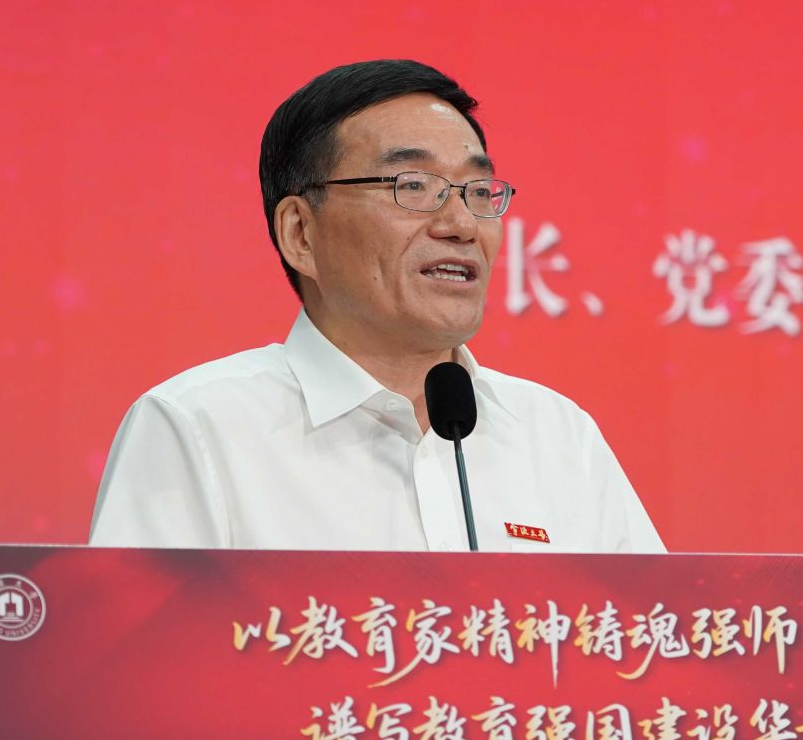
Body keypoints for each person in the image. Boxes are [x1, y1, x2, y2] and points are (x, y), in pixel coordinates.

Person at [89, 59, 664, 552]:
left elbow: (650, 639)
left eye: (477, 191)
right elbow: (140, 647)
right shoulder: (198, 427)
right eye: (412, 186)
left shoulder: (557, 435)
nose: (462, 225)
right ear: (301, 233)